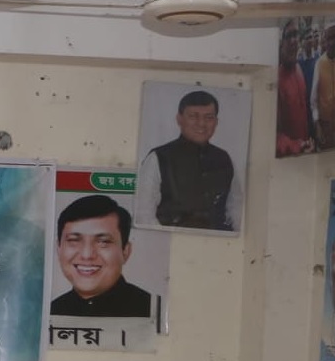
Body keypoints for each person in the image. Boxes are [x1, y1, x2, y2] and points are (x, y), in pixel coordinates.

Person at [136, 89, 240, 231]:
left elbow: (236, 209)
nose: (201, 123)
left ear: (216, 122)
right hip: (170, 241)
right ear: (179, 119)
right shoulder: (159, 157)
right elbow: (144, 214)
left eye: (208, 117)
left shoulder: (224, 159)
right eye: (193, 116)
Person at [50, 195, 152, 318]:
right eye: (74, 240)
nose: (87, 255)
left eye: (103, 242)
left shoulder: (151, 310)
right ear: (58, 248)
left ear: (125, 251)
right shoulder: (50, 311)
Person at [276, 21, 315, 157]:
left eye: (296, 35)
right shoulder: (275, 81)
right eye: (289, 36)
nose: (293, 41)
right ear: (281, 43)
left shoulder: (299, 70)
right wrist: (297, 146)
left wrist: (309, 141)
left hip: (306, 154)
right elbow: (273, 136)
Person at [312, 22, 335, 149]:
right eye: (328, 39)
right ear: (324, 40)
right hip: (325, 126)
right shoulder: (319, 64)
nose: (331, 42)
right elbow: (313, 100)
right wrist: (317, 125)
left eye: (333, 37)